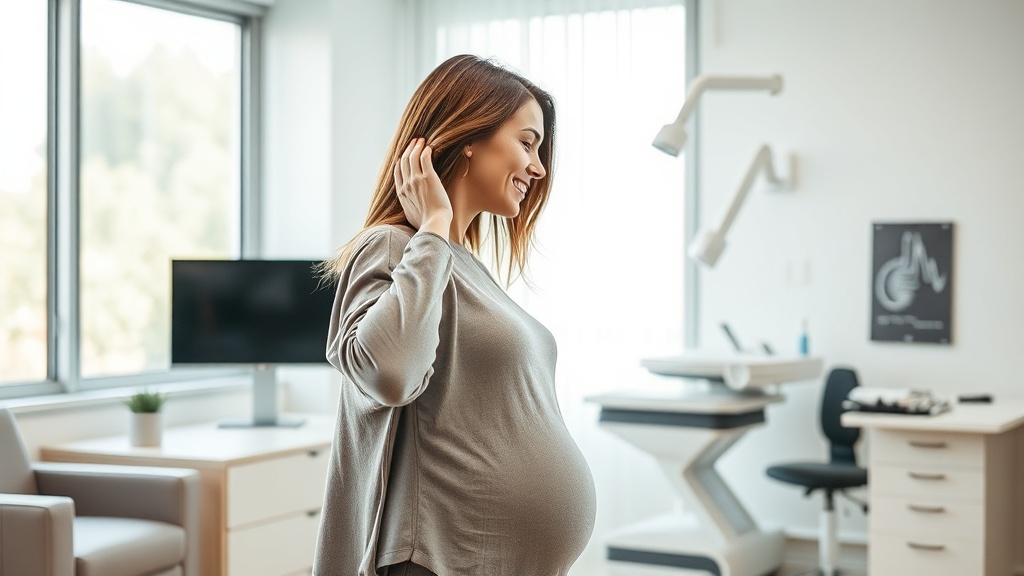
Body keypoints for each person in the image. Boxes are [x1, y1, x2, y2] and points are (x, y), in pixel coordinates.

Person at [312, 54, 597, 576]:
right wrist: (435, 224)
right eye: (527, 143)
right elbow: (390, 374)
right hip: (436, 560)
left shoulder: (459, 261)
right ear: (468, 136)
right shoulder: (395, 246)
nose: (539, 167)